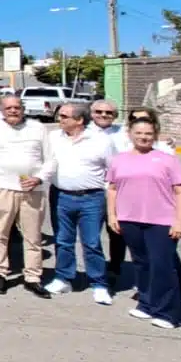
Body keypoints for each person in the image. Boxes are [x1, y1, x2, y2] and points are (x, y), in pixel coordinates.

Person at [0, 95, 56, 298]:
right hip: (0, 187)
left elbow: (51, 160)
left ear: (23, 109)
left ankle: (33, 277)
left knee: (32, 236)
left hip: (31, 190)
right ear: (1, 110)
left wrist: (39, 178)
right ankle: (0, 273)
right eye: (9, 108)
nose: (13, 111)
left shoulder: (37, 128)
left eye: (17, 107)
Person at [108, 118, 181, 329]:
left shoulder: (166, 160)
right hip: (129, 220)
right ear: (130, 134)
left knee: (162, 266)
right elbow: (112, 189)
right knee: (141, 264)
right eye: (139, 133)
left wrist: (180, 222)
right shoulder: (119, 160)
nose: (143, 137)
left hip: (161, 221)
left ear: (155, 135)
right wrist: (112, 215)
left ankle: (168, 313)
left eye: (148, 133)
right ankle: (146, 304)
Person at [47, 102, 116, 305]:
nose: (60, 120)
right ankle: (63, 278)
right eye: (60, 116)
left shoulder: (100, 140)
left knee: (92, 242)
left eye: (64, 117)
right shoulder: (53, 138)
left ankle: (99, 284)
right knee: (62, 239)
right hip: (60, 196)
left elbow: (112, 170)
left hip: (91, 198)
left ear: (79, 120)